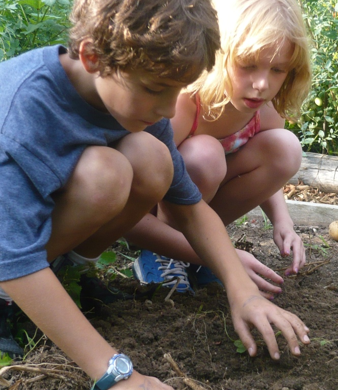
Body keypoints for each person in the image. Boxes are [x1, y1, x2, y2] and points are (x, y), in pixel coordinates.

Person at [0, 0, 310, 389]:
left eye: (179, 90)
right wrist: (117, 375)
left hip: (26, 238)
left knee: (149, 157)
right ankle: (7, 302)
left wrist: (243, 291)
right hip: (8, 248)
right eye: (156, 89)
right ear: (93, 57)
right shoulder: (23, 111)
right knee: (105, 172)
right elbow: (12, 256)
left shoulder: (139, 105)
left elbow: (190, 207)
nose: (168, 110)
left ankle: (67, 277)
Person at [126, 0, 312, 299]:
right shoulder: (186, 103)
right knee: (205, 155)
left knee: (285, 147)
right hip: (151, 213)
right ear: (218, 53)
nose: (262, 84)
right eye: (247, 65)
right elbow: (135, 195)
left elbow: (272, 170)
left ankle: (202, 250)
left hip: (199, 214)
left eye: (277, 69)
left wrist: (282, 220)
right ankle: (164, 253)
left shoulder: (263, 108)